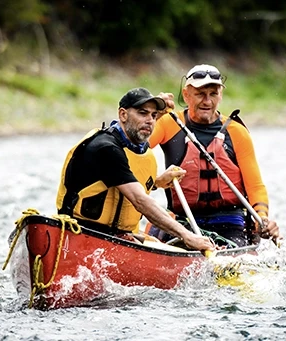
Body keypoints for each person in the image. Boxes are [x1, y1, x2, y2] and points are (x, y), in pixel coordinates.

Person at [56, 87, 215, 252]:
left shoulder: (134, 145)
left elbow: (120, 180)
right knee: (182, 242)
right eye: (142, 113)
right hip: (82, 234)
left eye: (154, 116)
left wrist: (157, 182)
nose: (150, 121)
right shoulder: (105, 148)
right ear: (123, 115)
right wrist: (187, 236)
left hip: (116, 236)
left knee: (166, 246)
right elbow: (140, 200)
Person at [148, 64, 281, 247]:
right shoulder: (168, 124)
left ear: (221, 96)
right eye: (200, 94)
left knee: (231, 251)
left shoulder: (236, 132)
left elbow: (255, 186)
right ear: (186, 95)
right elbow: (133, 149)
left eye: (213, 94)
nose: (207, 101)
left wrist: (262, 219)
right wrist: (151, 115)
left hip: (229, 221)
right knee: (154, 237)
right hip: (181, 221)